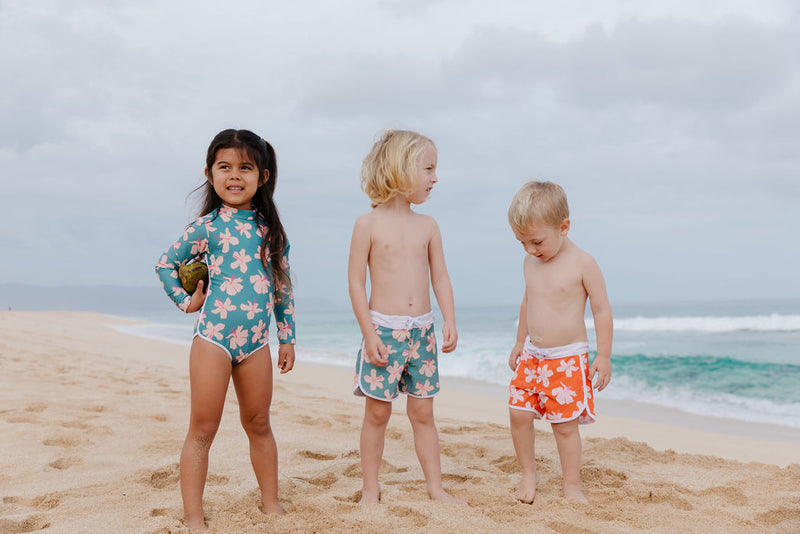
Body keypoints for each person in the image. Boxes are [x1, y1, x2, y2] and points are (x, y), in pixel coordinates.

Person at [155, 129, 295, 529]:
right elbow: (165, 264)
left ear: (262, 177)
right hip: (212, 339)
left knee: (259, 423)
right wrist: (186, 302)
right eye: (225, 167)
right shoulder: (206, 227)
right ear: (210, 173)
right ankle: (193, 515)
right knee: (203, 427)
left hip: (255, 345)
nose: (235, 176)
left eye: (245, 167)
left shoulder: (271, 233)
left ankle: (271, 503)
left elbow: (281, 288)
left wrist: (287, 338)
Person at [348, 129, 462, 505]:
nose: (434, 178)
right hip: (383, 331)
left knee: (423, 412)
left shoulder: (428, 226)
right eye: (428, 169)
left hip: (422, 333)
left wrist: (449, 319)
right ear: (400, 169)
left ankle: (435, 488)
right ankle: (370, 488)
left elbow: (441, 277)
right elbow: (355, 283)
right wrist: (368, 334)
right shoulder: (367, 224)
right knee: (377, 414)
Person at [506, 181, 612, 504]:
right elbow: (528, 303)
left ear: (564, 227)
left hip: (566, 358)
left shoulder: (583, 263)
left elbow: (602, 310)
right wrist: (519, 341)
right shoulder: (530, 263)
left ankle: (571, 485)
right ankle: (529, 472)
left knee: (564, 427)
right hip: (533, 355)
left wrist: (603, 355)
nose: (530, 249)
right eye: (522, 242)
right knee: (518, 414)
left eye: (536, 241)